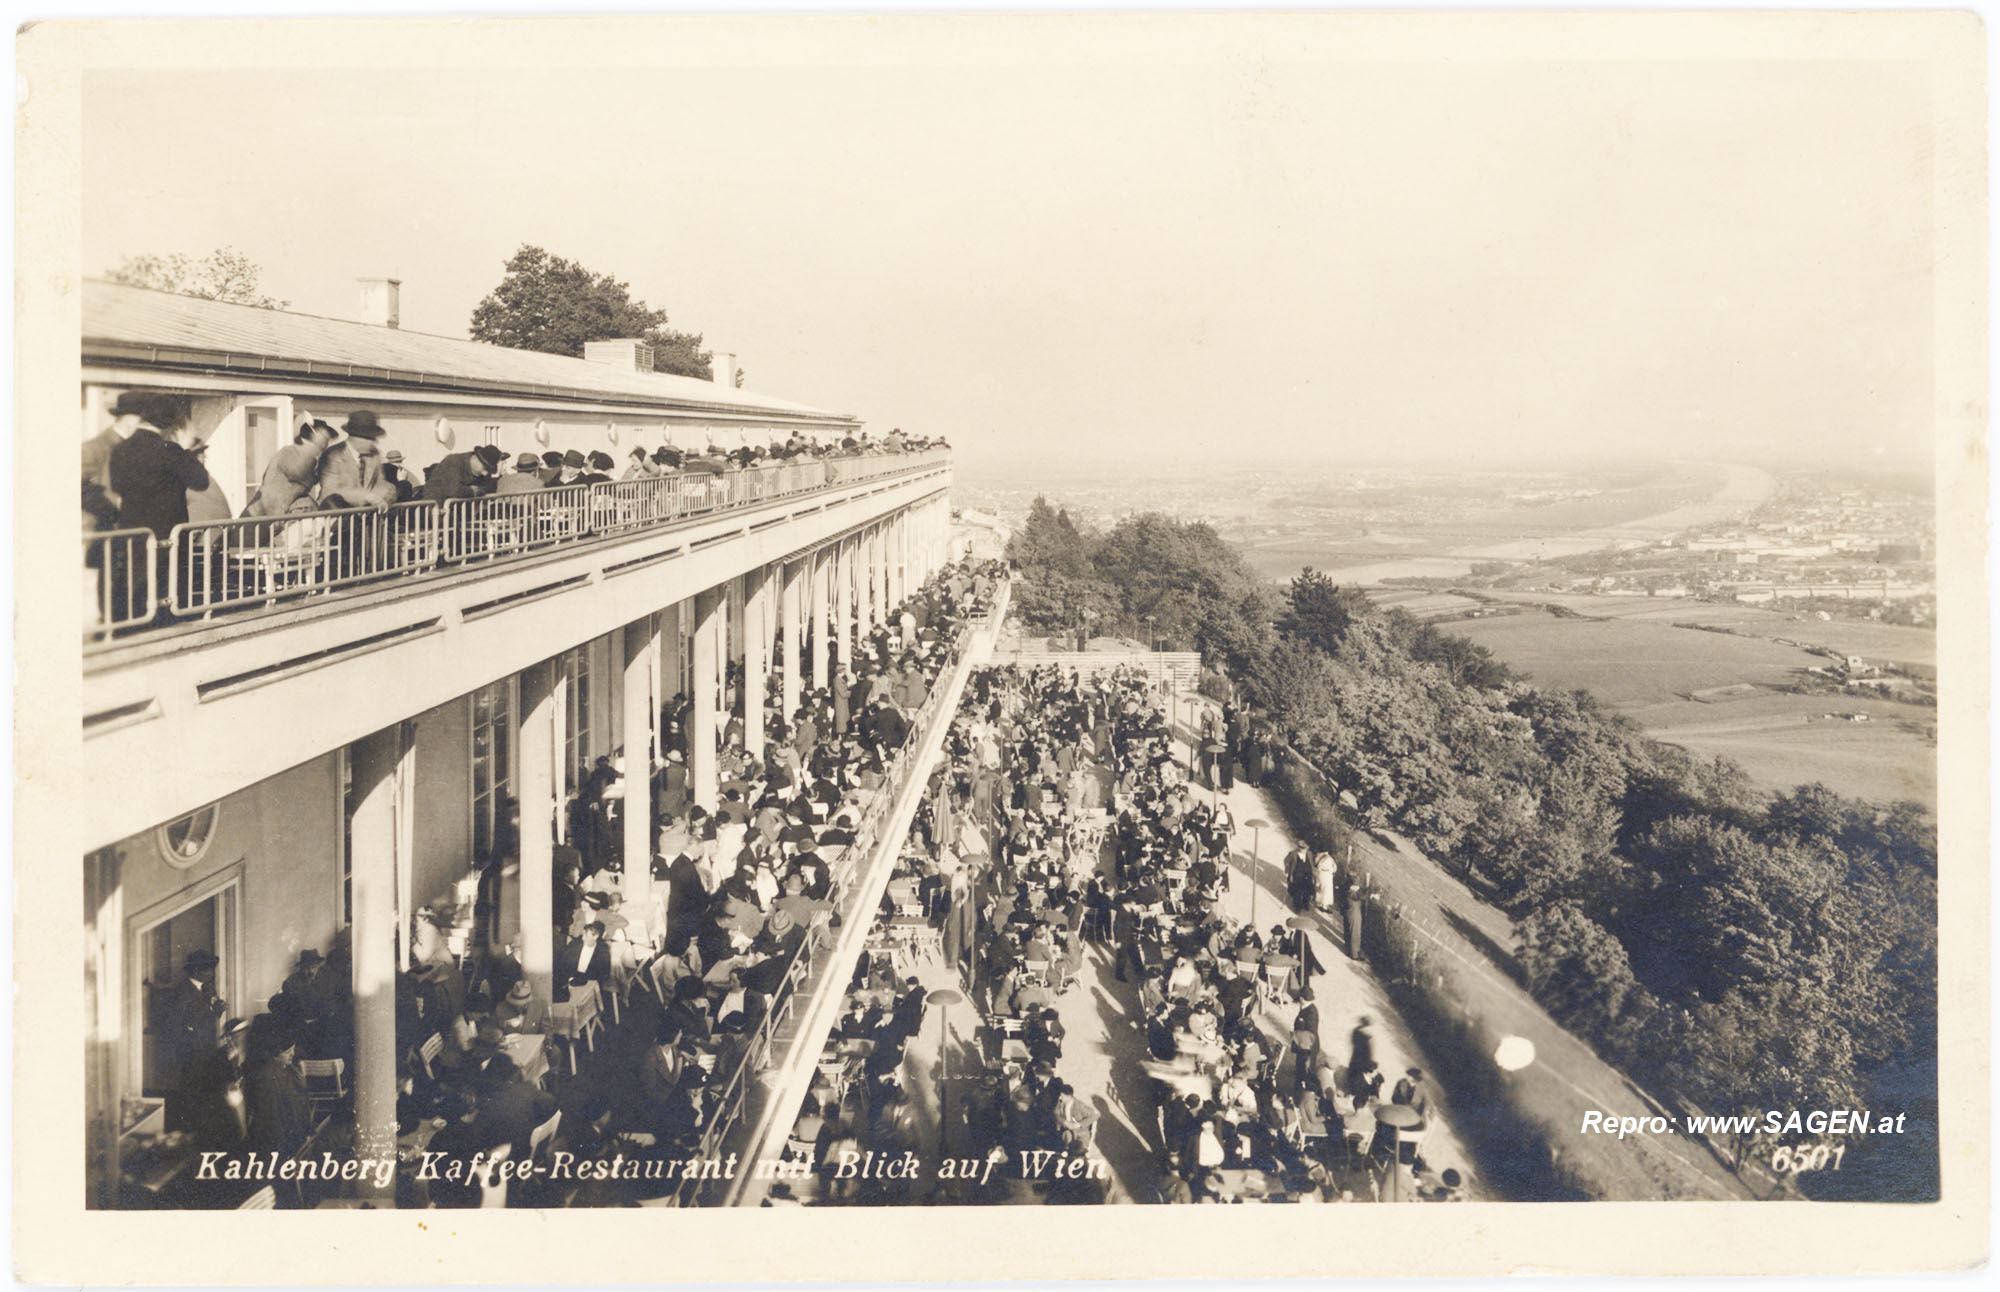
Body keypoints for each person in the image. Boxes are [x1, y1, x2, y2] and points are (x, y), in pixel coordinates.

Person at [109, 394, 206, 540]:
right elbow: (201, 482)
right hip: (166, 540)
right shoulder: (169, 450)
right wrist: (187, 450)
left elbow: (116, 486)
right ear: (169, 424)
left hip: (131, 537)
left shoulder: (119, 449)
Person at [156, 949, 227, 1131]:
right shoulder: (183, 991)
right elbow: (175, 1024)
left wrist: (216, 1011)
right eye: (208, 969)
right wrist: (186, 1048)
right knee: (191, 1091)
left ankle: (199, 1126)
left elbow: (204, 1017)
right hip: (191, 1052)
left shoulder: (207, 988)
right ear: (196, 971)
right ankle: (190, 1129)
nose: (211, 973)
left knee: (202, 1090)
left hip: (206, 1048)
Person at [245, 419, 336, 517]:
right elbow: (300, 470)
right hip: (258, 514)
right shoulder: (289, 453)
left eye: (325, 445)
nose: (321, 449)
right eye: (320, 445)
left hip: (276, 517)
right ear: (304, 439)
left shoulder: (310, 461)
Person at [420, 444, 504, 502]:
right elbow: (453, 490)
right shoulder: (453, 462)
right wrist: (472, 492)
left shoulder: (483, 471)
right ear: (475, 458)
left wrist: (478, 491)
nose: (485, 474)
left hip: (461, 514)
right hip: (437, 511)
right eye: (485, 468)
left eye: (489, 470)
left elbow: (486, 487)